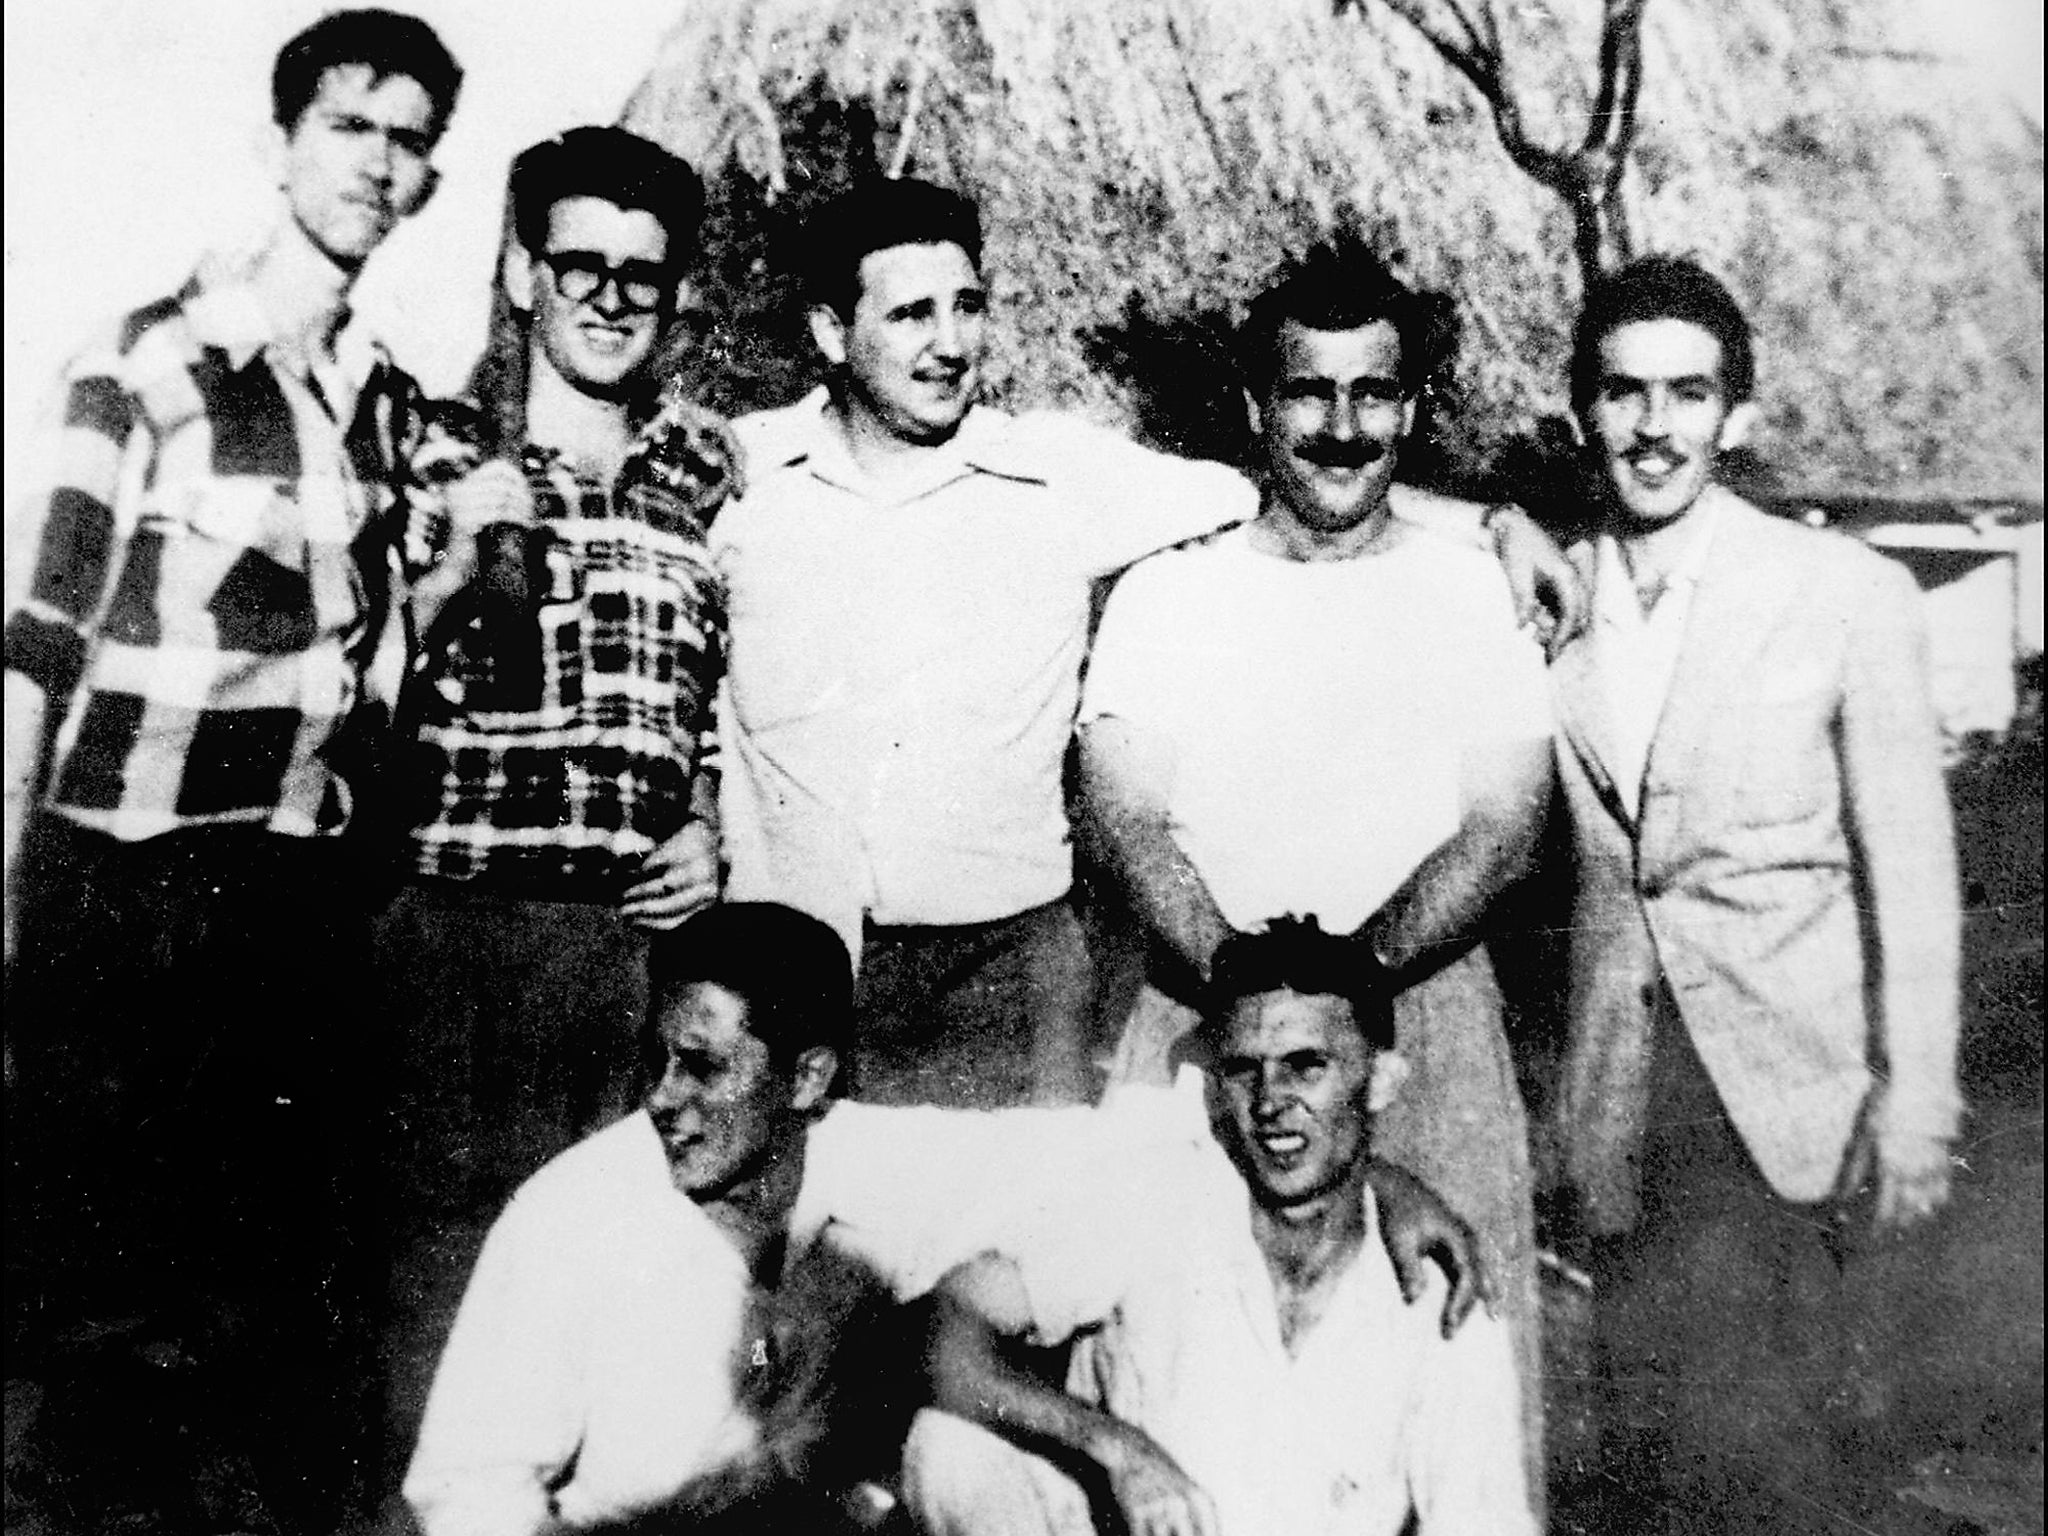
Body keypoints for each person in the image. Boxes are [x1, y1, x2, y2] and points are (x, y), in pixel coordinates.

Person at [715, 178, 1578, 1109]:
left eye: (968, 307)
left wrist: (1492, 521)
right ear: (830, 333)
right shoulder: (732, 481)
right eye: (912, 314)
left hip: (1004, 972)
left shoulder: (1059, 474)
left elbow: (1296, 481)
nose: (951, 343)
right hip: (787, 966)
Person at [1, 11, 468, 1530]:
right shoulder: (145, 361)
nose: (379, 166)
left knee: (279, 1331)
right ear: (284, 145)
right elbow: (37, 646)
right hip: (124, 898)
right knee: (106, 1338)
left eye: (409, 142)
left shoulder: (387, 403)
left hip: (292, 909)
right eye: (352, 127)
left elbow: (374, 658)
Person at [405, 903, 1486, 1535]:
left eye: (704, 1069)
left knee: (945, 1450)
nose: (663, 1102)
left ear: (806, 1079)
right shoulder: (572, 1215)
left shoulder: (885, 1161)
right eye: (657, 1063)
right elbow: (468, 1488)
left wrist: (1387, 1186)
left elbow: (1185, 1140)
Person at [1074, 239, 1554, 1501]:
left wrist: (1341, 994)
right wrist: (1260, 1002)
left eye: (1372, 395)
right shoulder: (1168, 600)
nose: (1341, 430)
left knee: (1451, 1393)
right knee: (1166, 1389)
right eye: (1307, 393)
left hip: (1425, 1026)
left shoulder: (1468, 594)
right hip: (1198, 1015)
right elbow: (1125, 821)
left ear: (1412, 408)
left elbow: (1502, 828)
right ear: (1252, 408)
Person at [1546, 256, 1967, 1532]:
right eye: (1623, 394)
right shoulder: (1548, 589)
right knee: (1643, 1463)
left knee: (1778, 1474)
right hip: (1617, 1093)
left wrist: (1920, 1099)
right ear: (1583, 412)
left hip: (1787, 1097)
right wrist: (1503, 528)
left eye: (1687, 394)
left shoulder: (1841, 593)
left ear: (1737, 416)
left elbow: (1913, 866)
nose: (1653, 426)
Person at [376, 125, 738, 1207]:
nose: (611, 300)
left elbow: (709, 700)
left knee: (611, 1280)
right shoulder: (432, 452)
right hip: (457, 943)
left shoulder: (702, 474)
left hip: (634, 954)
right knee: (439, 1288)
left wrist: (703, 814)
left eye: (644, 276)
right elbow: (351, 686)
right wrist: (441, 570)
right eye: (581, 266)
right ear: (522, 274)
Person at [906, 916, 1535, 1536]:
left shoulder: (1438, 1287)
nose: (1269, 1102)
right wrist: (1123, 1450)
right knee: (949, 1449)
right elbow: (941, 1331)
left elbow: (1484, 1520)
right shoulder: (1158, 1199)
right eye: (1242, 1070)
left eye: (1306, 1066)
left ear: (1381, 1080)